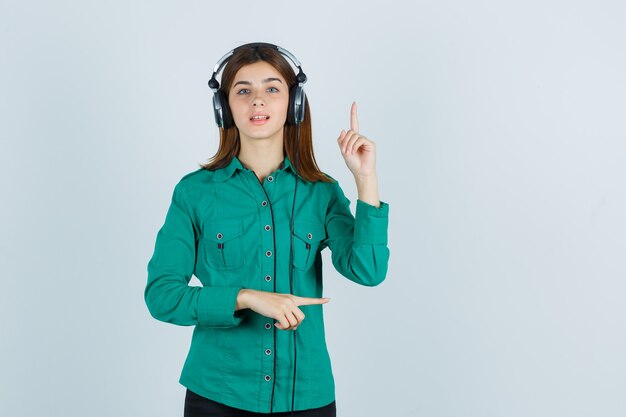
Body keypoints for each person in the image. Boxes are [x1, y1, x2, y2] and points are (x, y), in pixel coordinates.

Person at [144, 43, 390, 417]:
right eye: (243, 90)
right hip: (218, 395)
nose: (257, 101)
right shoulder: (193, 193)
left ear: (293, 104)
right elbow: (162, 295)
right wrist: (244, 297)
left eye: (272, 88)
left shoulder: (321, 192)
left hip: (305, 396)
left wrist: (366, 180)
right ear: (224, 107)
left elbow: (369, 271)